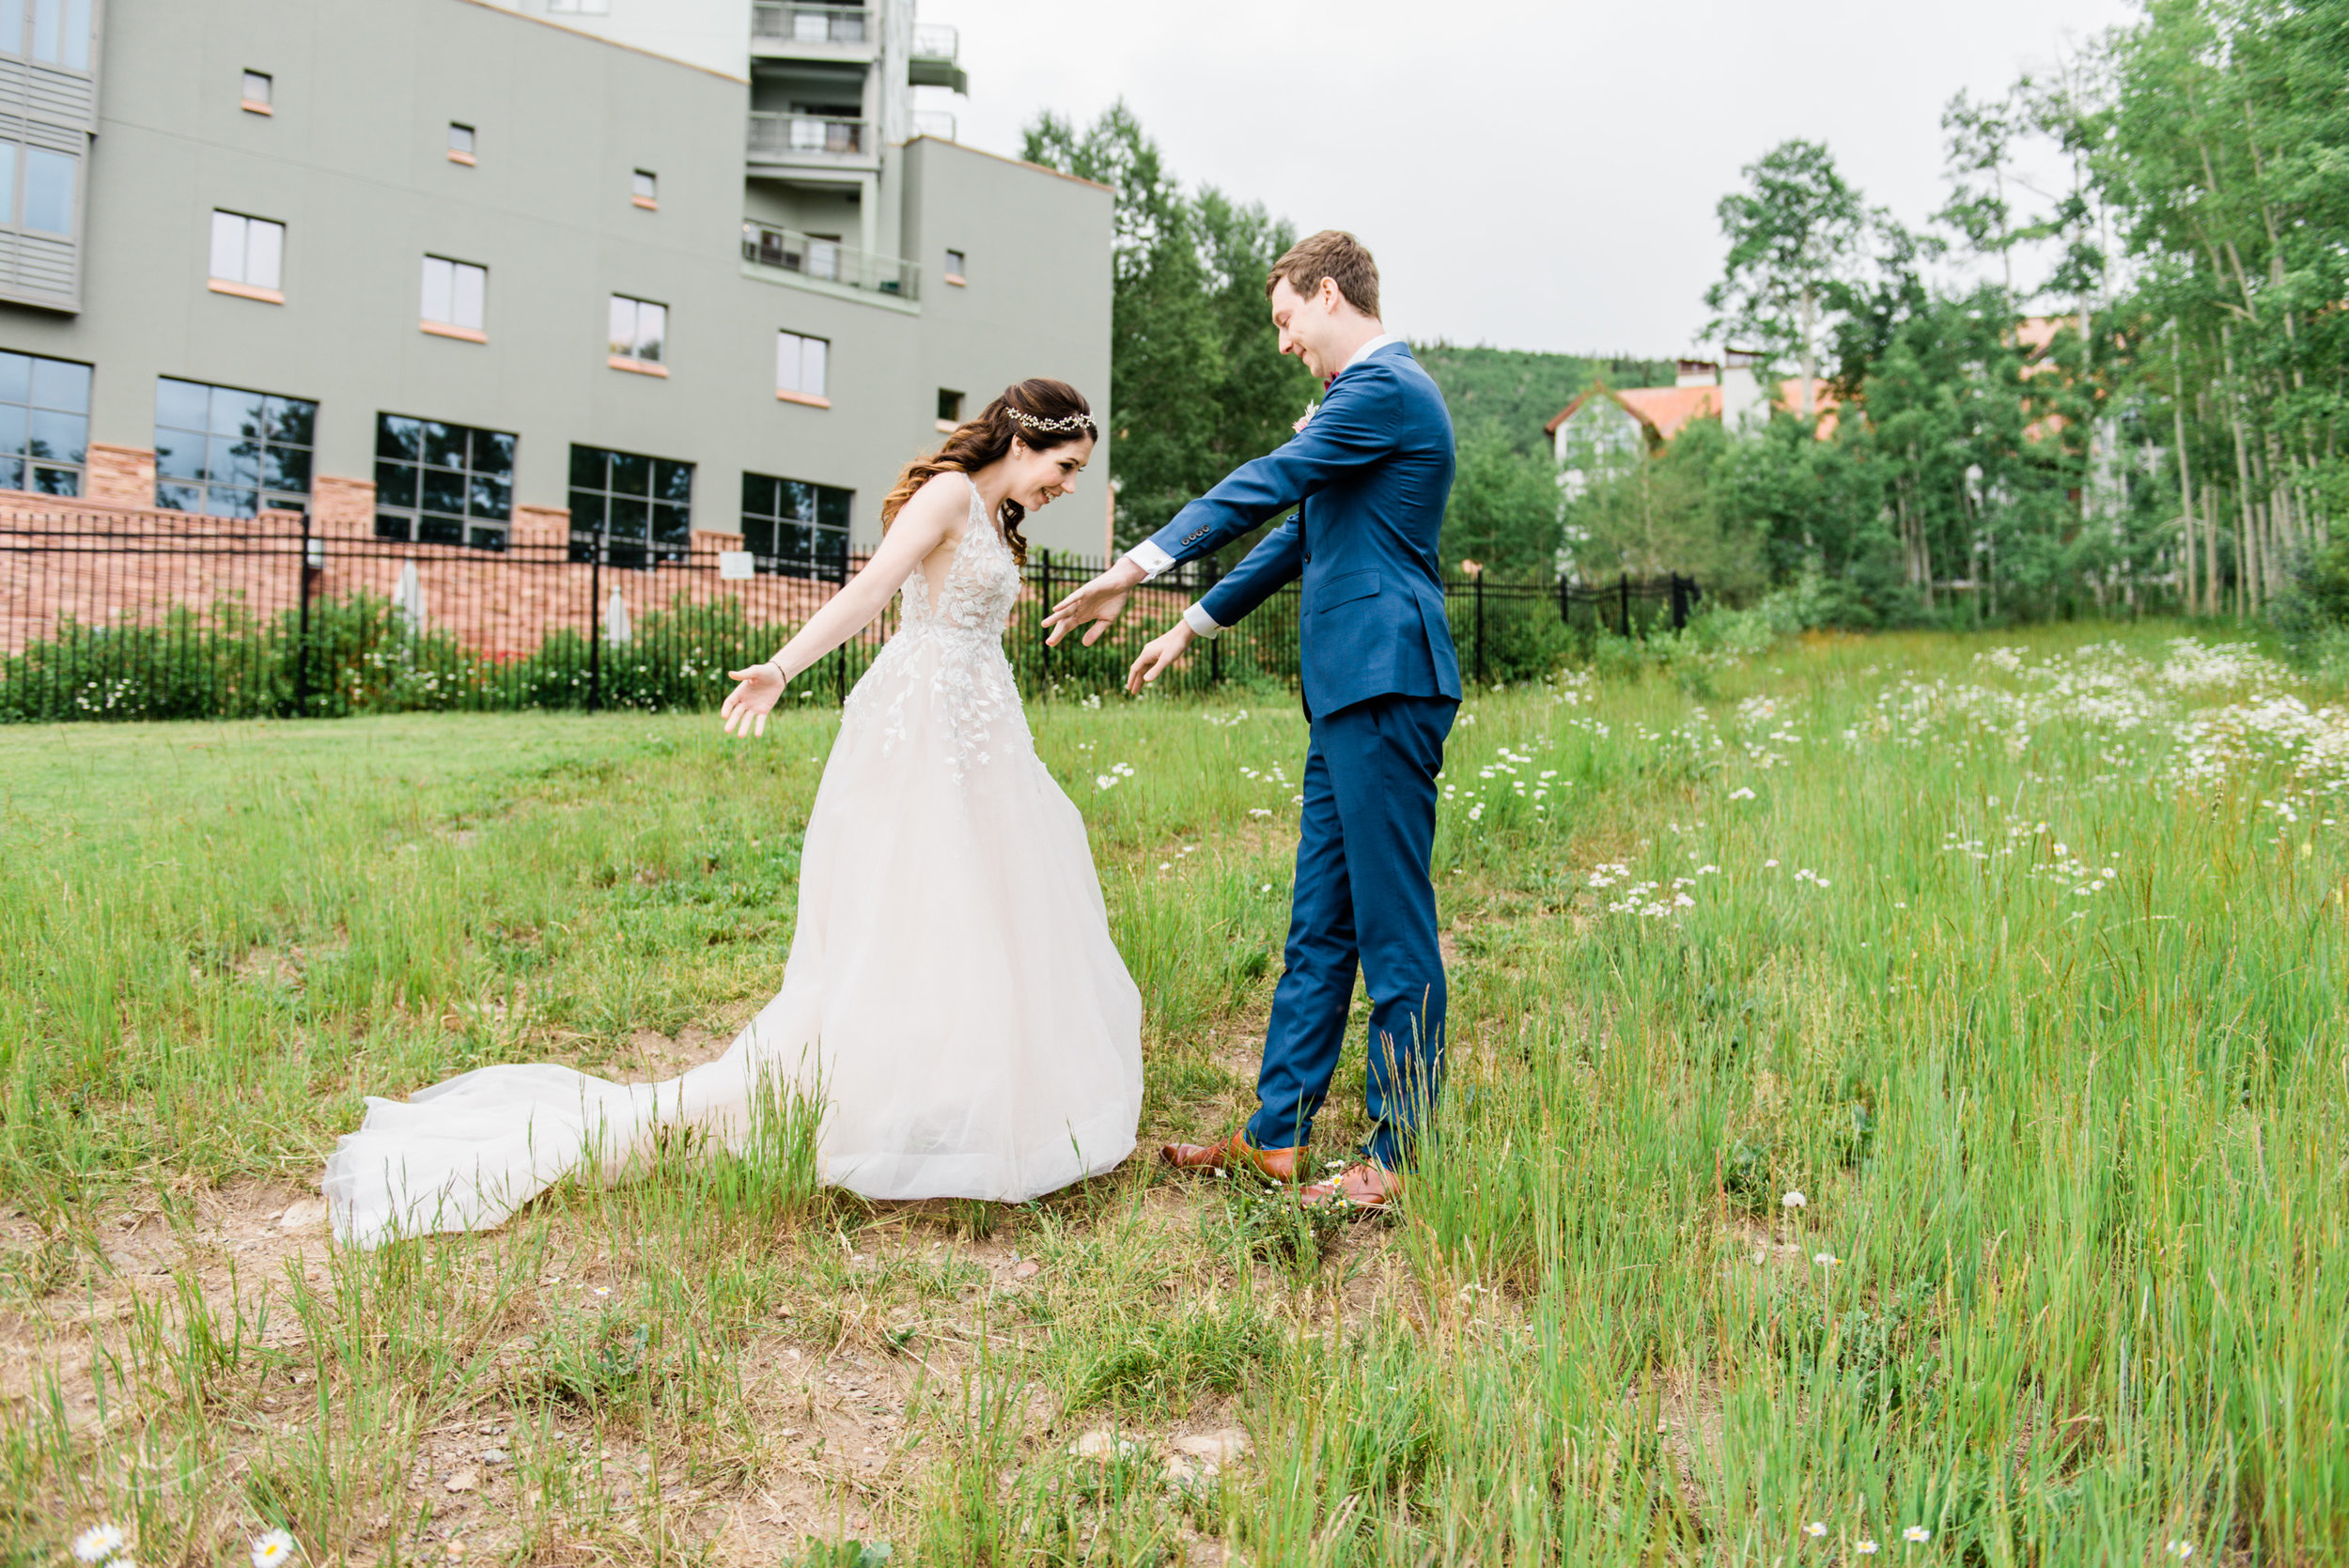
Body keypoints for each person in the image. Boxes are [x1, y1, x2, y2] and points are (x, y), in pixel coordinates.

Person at [326, 380, 1143, 1247]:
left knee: (978, 908)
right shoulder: (947, 495)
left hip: (979, 735)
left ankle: (962, 1100)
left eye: (1078, 474)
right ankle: (888, 1102)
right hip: (923, 728)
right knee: (918, 905)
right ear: (1022, 442)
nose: (1066, 486)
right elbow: (869, 592)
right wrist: (782, 670)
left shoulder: (993, 519)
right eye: (1064, 467)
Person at [1042, 231, 1458, 1213]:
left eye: (1284, 321)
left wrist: (1134, 562)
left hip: (1387, 681)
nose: (1282, 345)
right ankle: (1275, 1135)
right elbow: (1298, 532)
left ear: (1326, 294)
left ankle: (1399, 1155)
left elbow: (1268, 480)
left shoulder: (1383, 390)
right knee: (1320, 926)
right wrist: (1187, 621)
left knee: (1394, 933)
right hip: (1350, 691)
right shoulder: (1359, 409)